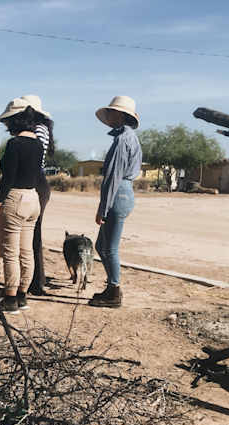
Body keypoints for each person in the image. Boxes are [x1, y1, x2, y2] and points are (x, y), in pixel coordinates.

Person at [0, 97, 44, 314]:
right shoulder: (38, 144)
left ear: (15, 121)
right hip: (33, 198)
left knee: (10, 253)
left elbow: (7, 179)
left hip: (15, 198)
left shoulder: (14, 144)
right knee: (26, 250)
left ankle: (9, 298)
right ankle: (22, 295)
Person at [89, 95, 142, 309]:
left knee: (109, 248)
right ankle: (112, 288)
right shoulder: (128, 138)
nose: (108, 116)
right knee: (101, 246)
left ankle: (114, 291)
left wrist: (103, 208)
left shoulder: (122, 140)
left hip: (118, 194)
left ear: (120, 114)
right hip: (124, 192)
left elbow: (113, 176)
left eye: (111, 112)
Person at [26, 96, 54, 296]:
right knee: (31, 234)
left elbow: (32, 160)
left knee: (32, 234)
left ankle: (35, 281)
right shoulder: (39, 128)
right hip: (37, 181)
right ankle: (35, 280)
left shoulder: (38, 130)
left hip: (35, 182)